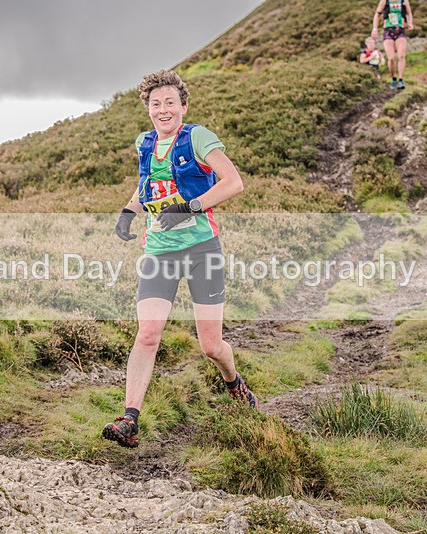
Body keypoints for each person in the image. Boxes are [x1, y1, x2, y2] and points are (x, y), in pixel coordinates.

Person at [103, 70, 258, 449]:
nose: (163, 109)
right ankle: (130, 420)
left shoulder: (197, 137)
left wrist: (189, 207)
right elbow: (148, 184)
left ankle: (233, 382)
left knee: (210, 346)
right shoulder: (144, 143)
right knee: (148, 333)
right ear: (148, 110)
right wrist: (128, 211)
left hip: (202, 248)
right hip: (159, 249)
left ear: (183, 106)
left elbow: (233, 182)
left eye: (170, 102)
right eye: (155, 104)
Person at [371, 0, 414, 90]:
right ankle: (394, 78)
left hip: (400, 31)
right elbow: (377, 14)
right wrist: (374, 29)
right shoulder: (384, 1)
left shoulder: (404, 1)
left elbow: (409, 13)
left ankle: (401, 80)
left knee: (401, 56)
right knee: (391, 58)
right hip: (388, 31)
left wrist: (410, 23)